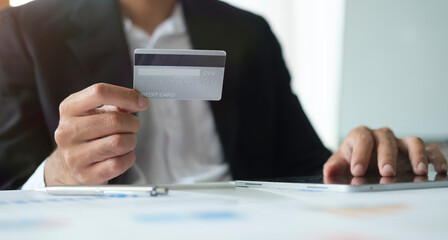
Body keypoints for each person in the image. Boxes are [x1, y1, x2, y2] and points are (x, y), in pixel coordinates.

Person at [0, 0, 446, 190]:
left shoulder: (248, 32)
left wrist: (361, 163)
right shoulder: (22, 32)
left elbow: (309, 165)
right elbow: (10, 184)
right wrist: (57, 174)